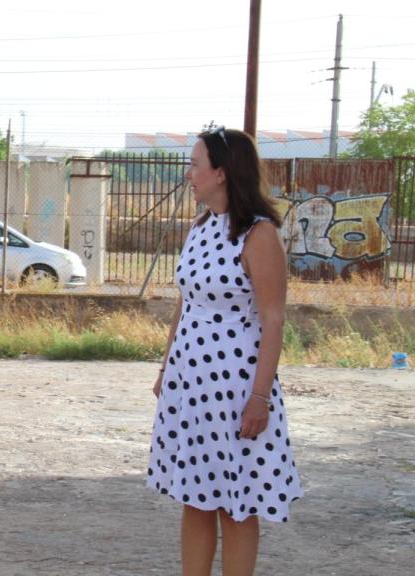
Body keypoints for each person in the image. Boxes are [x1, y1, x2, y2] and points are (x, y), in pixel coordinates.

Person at [147, 126, 303, 576]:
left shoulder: (259, 235)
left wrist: (260, 398)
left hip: (235, 388)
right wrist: (166, 367)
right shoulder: (200, 227)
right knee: (194, 498)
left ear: (221, 172)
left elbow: (273, 318)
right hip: (190, 384)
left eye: (195, 164)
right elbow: (186, 302)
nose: (188, 174)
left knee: (237, 506)